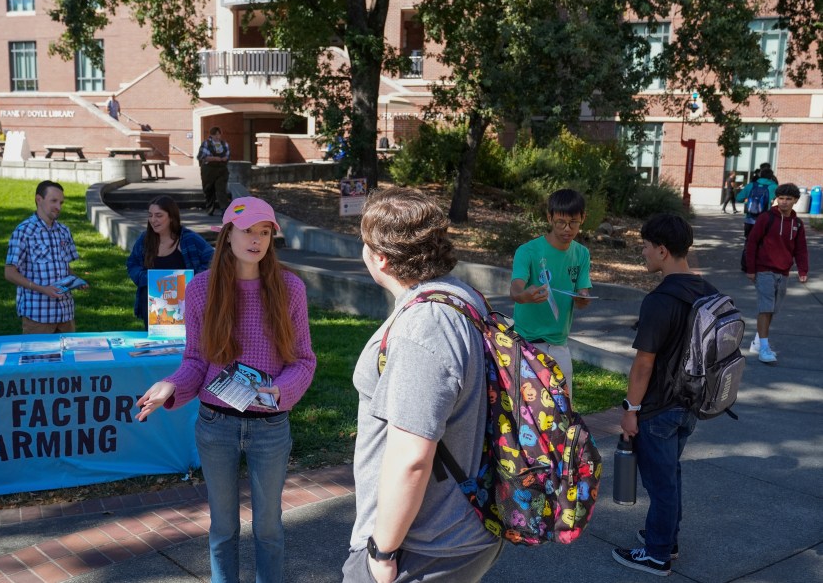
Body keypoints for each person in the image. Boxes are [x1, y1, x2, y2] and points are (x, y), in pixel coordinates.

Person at [134, 196, 316, 583]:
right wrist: (171, 386)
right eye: (248, 230)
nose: (257, 239)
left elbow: (303, 360)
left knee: (268, 529)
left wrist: (280, 391)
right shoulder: (201, 289)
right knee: (222, 530)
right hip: (216, 425)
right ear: (227, 235)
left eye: (264, 232)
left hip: (270, 427)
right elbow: (196, 362)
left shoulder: (290, 288)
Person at [342, 187, 502, 583]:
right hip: (463, 523)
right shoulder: (461, 295)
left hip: (427, 543)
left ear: (380, 257)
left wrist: (382, 551)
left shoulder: (424, 326)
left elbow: (413, 457)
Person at [612, 213, 718, 577]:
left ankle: (657, 554)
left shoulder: (660, 300)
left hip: (658, 408)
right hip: (691, 402)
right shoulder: (705, 290)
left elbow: (643, 365)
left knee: (660, 483)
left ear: (661, 250)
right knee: (669, 475)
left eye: (644, 247)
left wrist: (631, 410)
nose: (642, 253)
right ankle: (665, 538)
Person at [509, 188, 592, 405]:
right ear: (549, 218)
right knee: (527, 412)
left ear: (583, 218)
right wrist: (525, 295)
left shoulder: (582, 253)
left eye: (573, 222)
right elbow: (515, 289)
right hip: (527, 344)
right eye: (560, 222)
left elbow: (583, 292)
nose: (567, 229)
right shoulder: (528, 251)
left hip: (559, 345)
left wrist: (583, 298)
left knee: (563, 411)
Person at [4, 180, 83, 334]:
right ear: (38, 199)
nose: (58, 207)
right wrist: (43, 289)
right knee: (38, 358)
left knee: (69, 358)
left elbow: (64, 266)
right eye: (53, 201)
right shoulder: (24, 231)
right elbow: (10, 273)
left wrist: (77, 280)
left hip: (66, 314)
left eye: (61, 202)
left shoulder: (63, 231)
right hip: (38, 316)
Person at [126, 195, 214, 328]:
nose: (153, 220)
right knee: (156, 346)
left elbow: (212, 260)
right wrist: (147, 278)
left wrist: (191, 280)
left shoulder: (188, 239)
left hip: (184, 306)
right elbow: (132, 264)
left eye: (159, 215)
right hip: (152, 306)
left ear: (171, 217)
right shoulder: (145, 240)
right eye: (150, 215)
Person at [745, 183, 809, 364]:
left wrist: (803, 270)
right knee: (765, 308)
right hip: (764, 269)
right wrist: (751, 269)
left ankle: (758, 342)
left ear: (795, 201)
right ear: (776, 199)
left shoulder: (797, 223)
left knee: (772, 309)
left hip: (784, 272)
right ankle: (764, 349)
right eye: (781, 198)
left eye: (788, 199)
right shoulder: (767, 218)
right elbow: (751, 243)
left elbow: (801, 249)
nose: (784, 202)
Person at [197, 127, 231, 216]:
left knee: (221, 189)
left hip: (222, 169)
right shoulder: (206, 143)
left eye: (218, 134)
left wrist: (224, 158)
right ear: (211, 135)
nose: (217, 136)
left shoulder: (224, 144)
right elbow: (201, 156)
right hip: (209, 169)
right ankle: (210, 208)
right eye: (215, 134)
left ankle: (224, 209)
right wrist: (214, 158)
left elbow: (228, 155)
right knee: (208, 189)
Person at [735, 166, 777, 237]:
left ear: (760, 175)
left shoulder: (750, 185)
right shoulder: (775, 187)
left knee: (749, 241)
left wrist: (748, 201)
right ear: (771, 176)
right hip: (767, 219)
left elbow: (739, 198)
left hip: (750, 219)